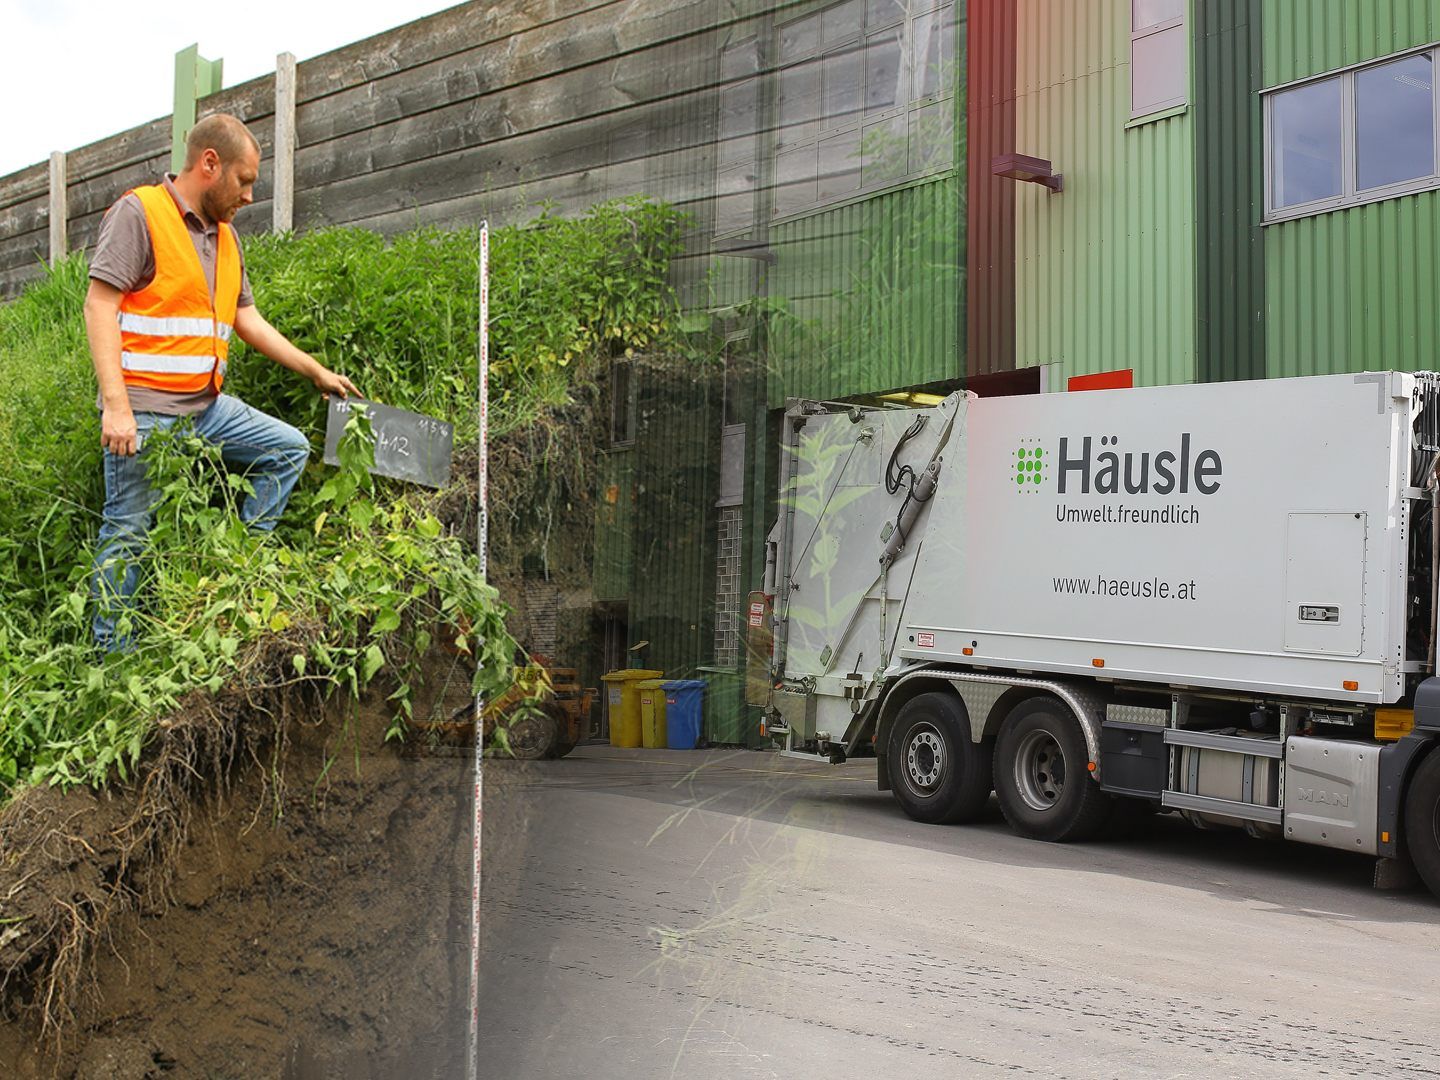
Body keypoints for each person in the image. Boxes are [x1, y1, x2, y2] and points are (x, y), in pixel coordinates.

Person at [83, 113, 359, 651]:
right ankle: (112, 656)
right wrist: (116, 406)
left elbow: (247, 319)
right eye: (245, 180)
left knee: (287, 450)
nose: (250, 195)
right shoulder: (140, 213)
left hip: (205, 407)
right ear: (210, 164)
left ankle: (233, 577)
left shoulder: (225, 237)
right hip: (144, 411)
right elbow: (100, 305)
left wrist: (316, 370)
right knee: (129, 531)